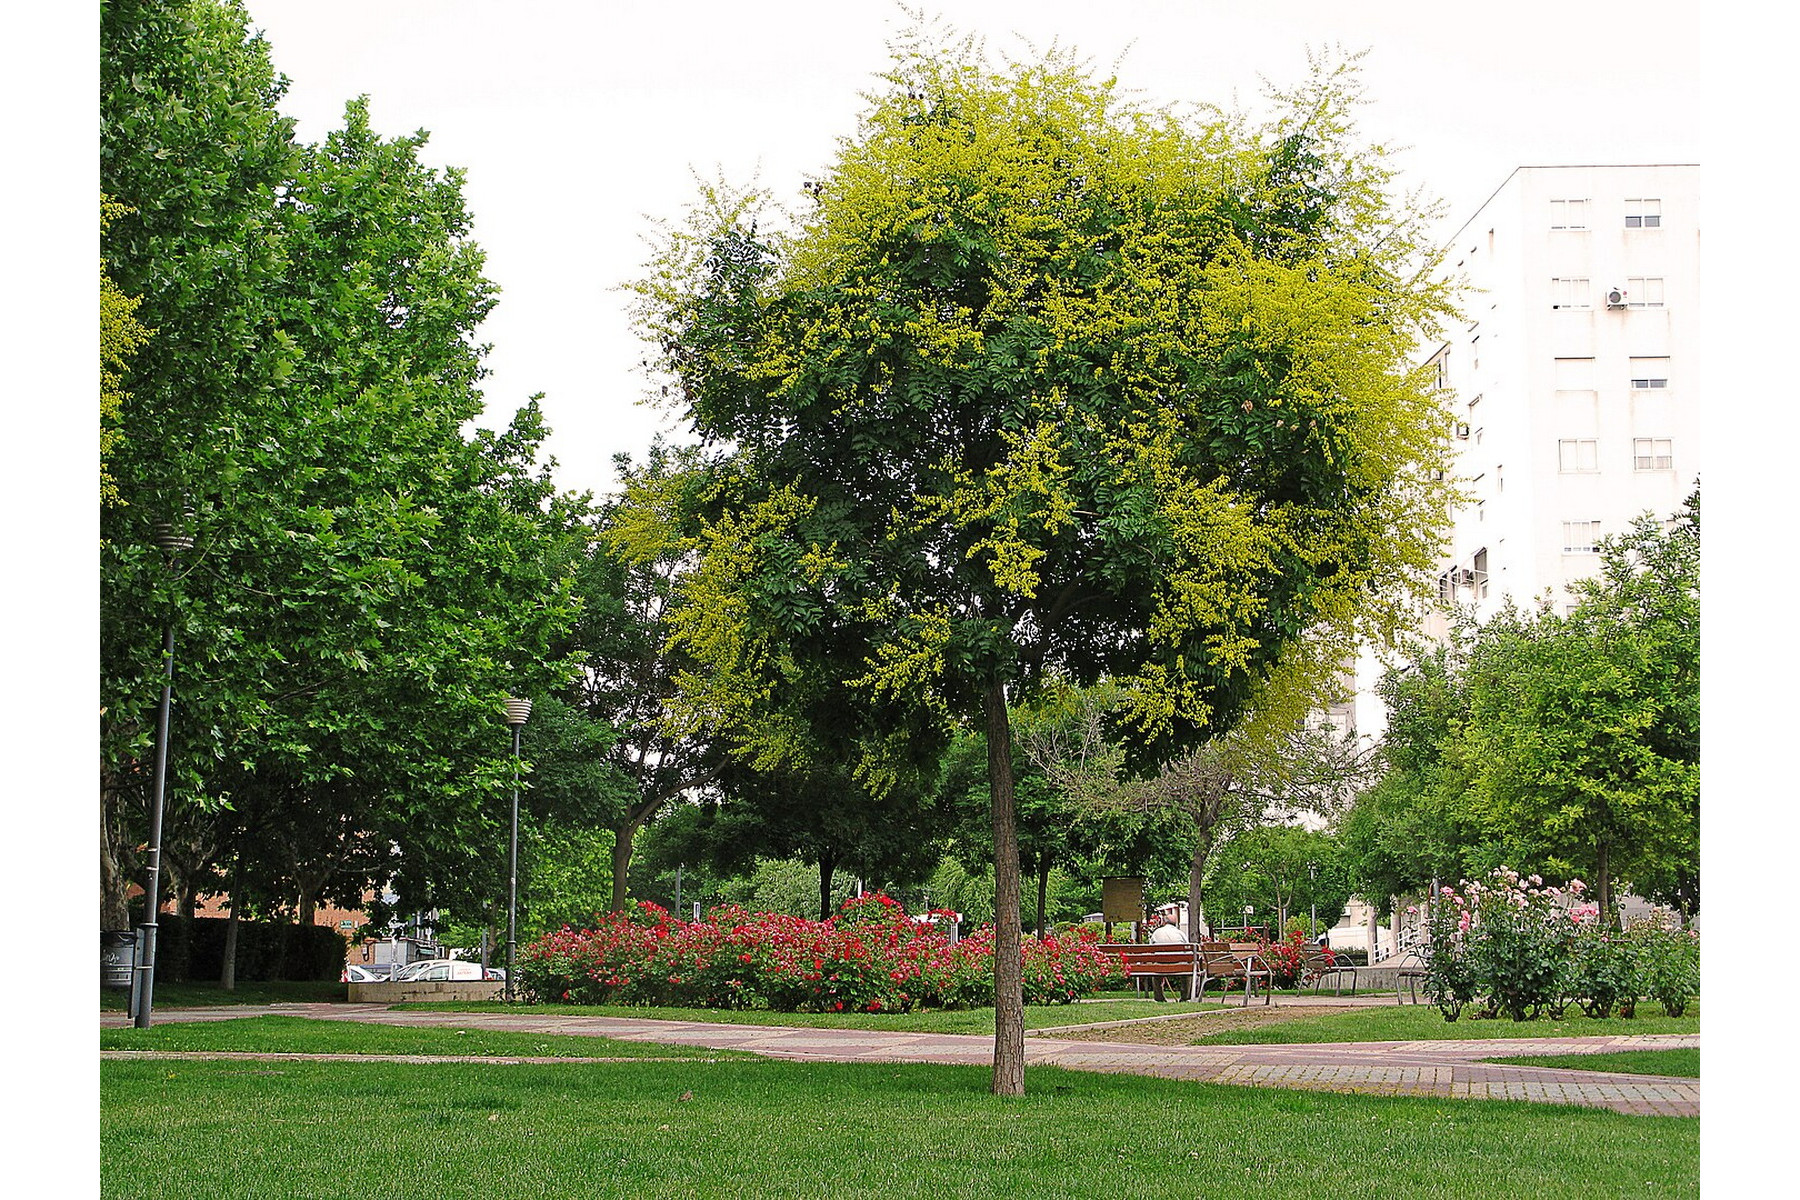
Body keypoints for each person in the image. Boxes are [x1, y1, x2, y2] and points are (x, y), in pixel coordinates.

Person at [1146, 915, 1189, 1000]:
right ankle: (1185, 997)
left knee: (1156, 973)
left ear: (1164, 922)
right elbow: (1187, 950)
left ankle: (1159, 997)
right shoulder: (1180, 933)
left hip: (1160, 964)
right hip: (1178, 964)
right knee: (1188, 971)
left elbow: (1151, 950)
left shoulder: (1156, 933)